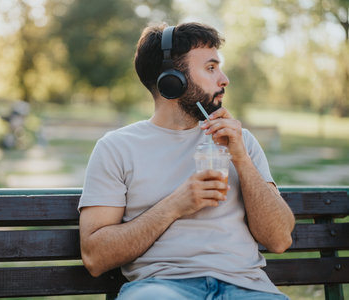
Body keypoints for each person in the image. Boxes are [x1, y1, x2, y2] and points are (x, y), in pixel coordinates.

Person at [78, 22, 295, 300]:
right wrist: (175, 205)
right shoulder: (116, 148)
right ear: (172, 79)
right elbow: (95, 258)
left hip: (247, 288)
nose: (224, 79)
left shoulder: (242, 141)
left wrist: (240, 158)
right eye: (211, 68)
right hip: (161, 290)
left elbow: (279, 239)